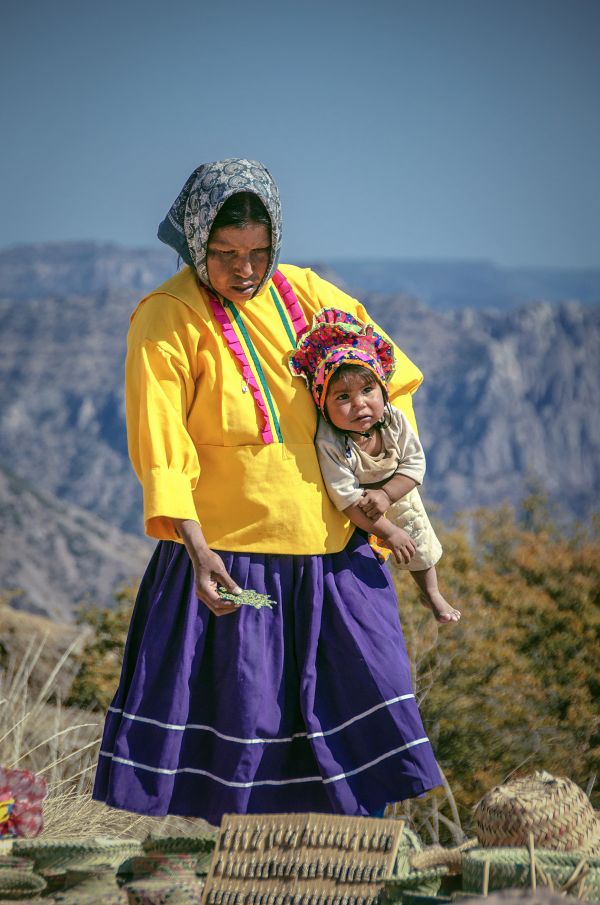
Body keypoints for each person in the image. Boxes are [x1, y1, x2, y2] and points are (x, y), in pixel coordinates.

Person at [93, 158, 443, 825]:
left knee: (364, 708)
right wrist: (196, 552)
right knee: (246, 738)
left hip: (335, 556)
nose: (244, 270)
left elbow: (387, 384)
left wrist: (381, 486)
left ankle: (339, 880)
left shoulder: (309, 295)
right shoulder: (167, 318)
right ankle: (243, 881)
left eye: (258, 252)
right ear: (195, 242)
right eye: (224, 254)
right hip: (229, 561)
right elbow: (160, 446)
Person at [289, 308, 461, 624]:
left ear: (382, 390)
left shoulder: (393, 420)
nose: (360, 404)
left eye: (368, 390)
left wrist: (387, 496)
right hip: (354, 504)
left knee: (416, 531)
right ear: (323, 404)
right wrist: (386, 530)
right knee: (373, 536)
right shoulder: (330, 440)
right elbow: (344, 496)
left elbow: (414, 463)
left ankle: (431, 591)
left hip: (395, 488)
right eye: (342, 396)